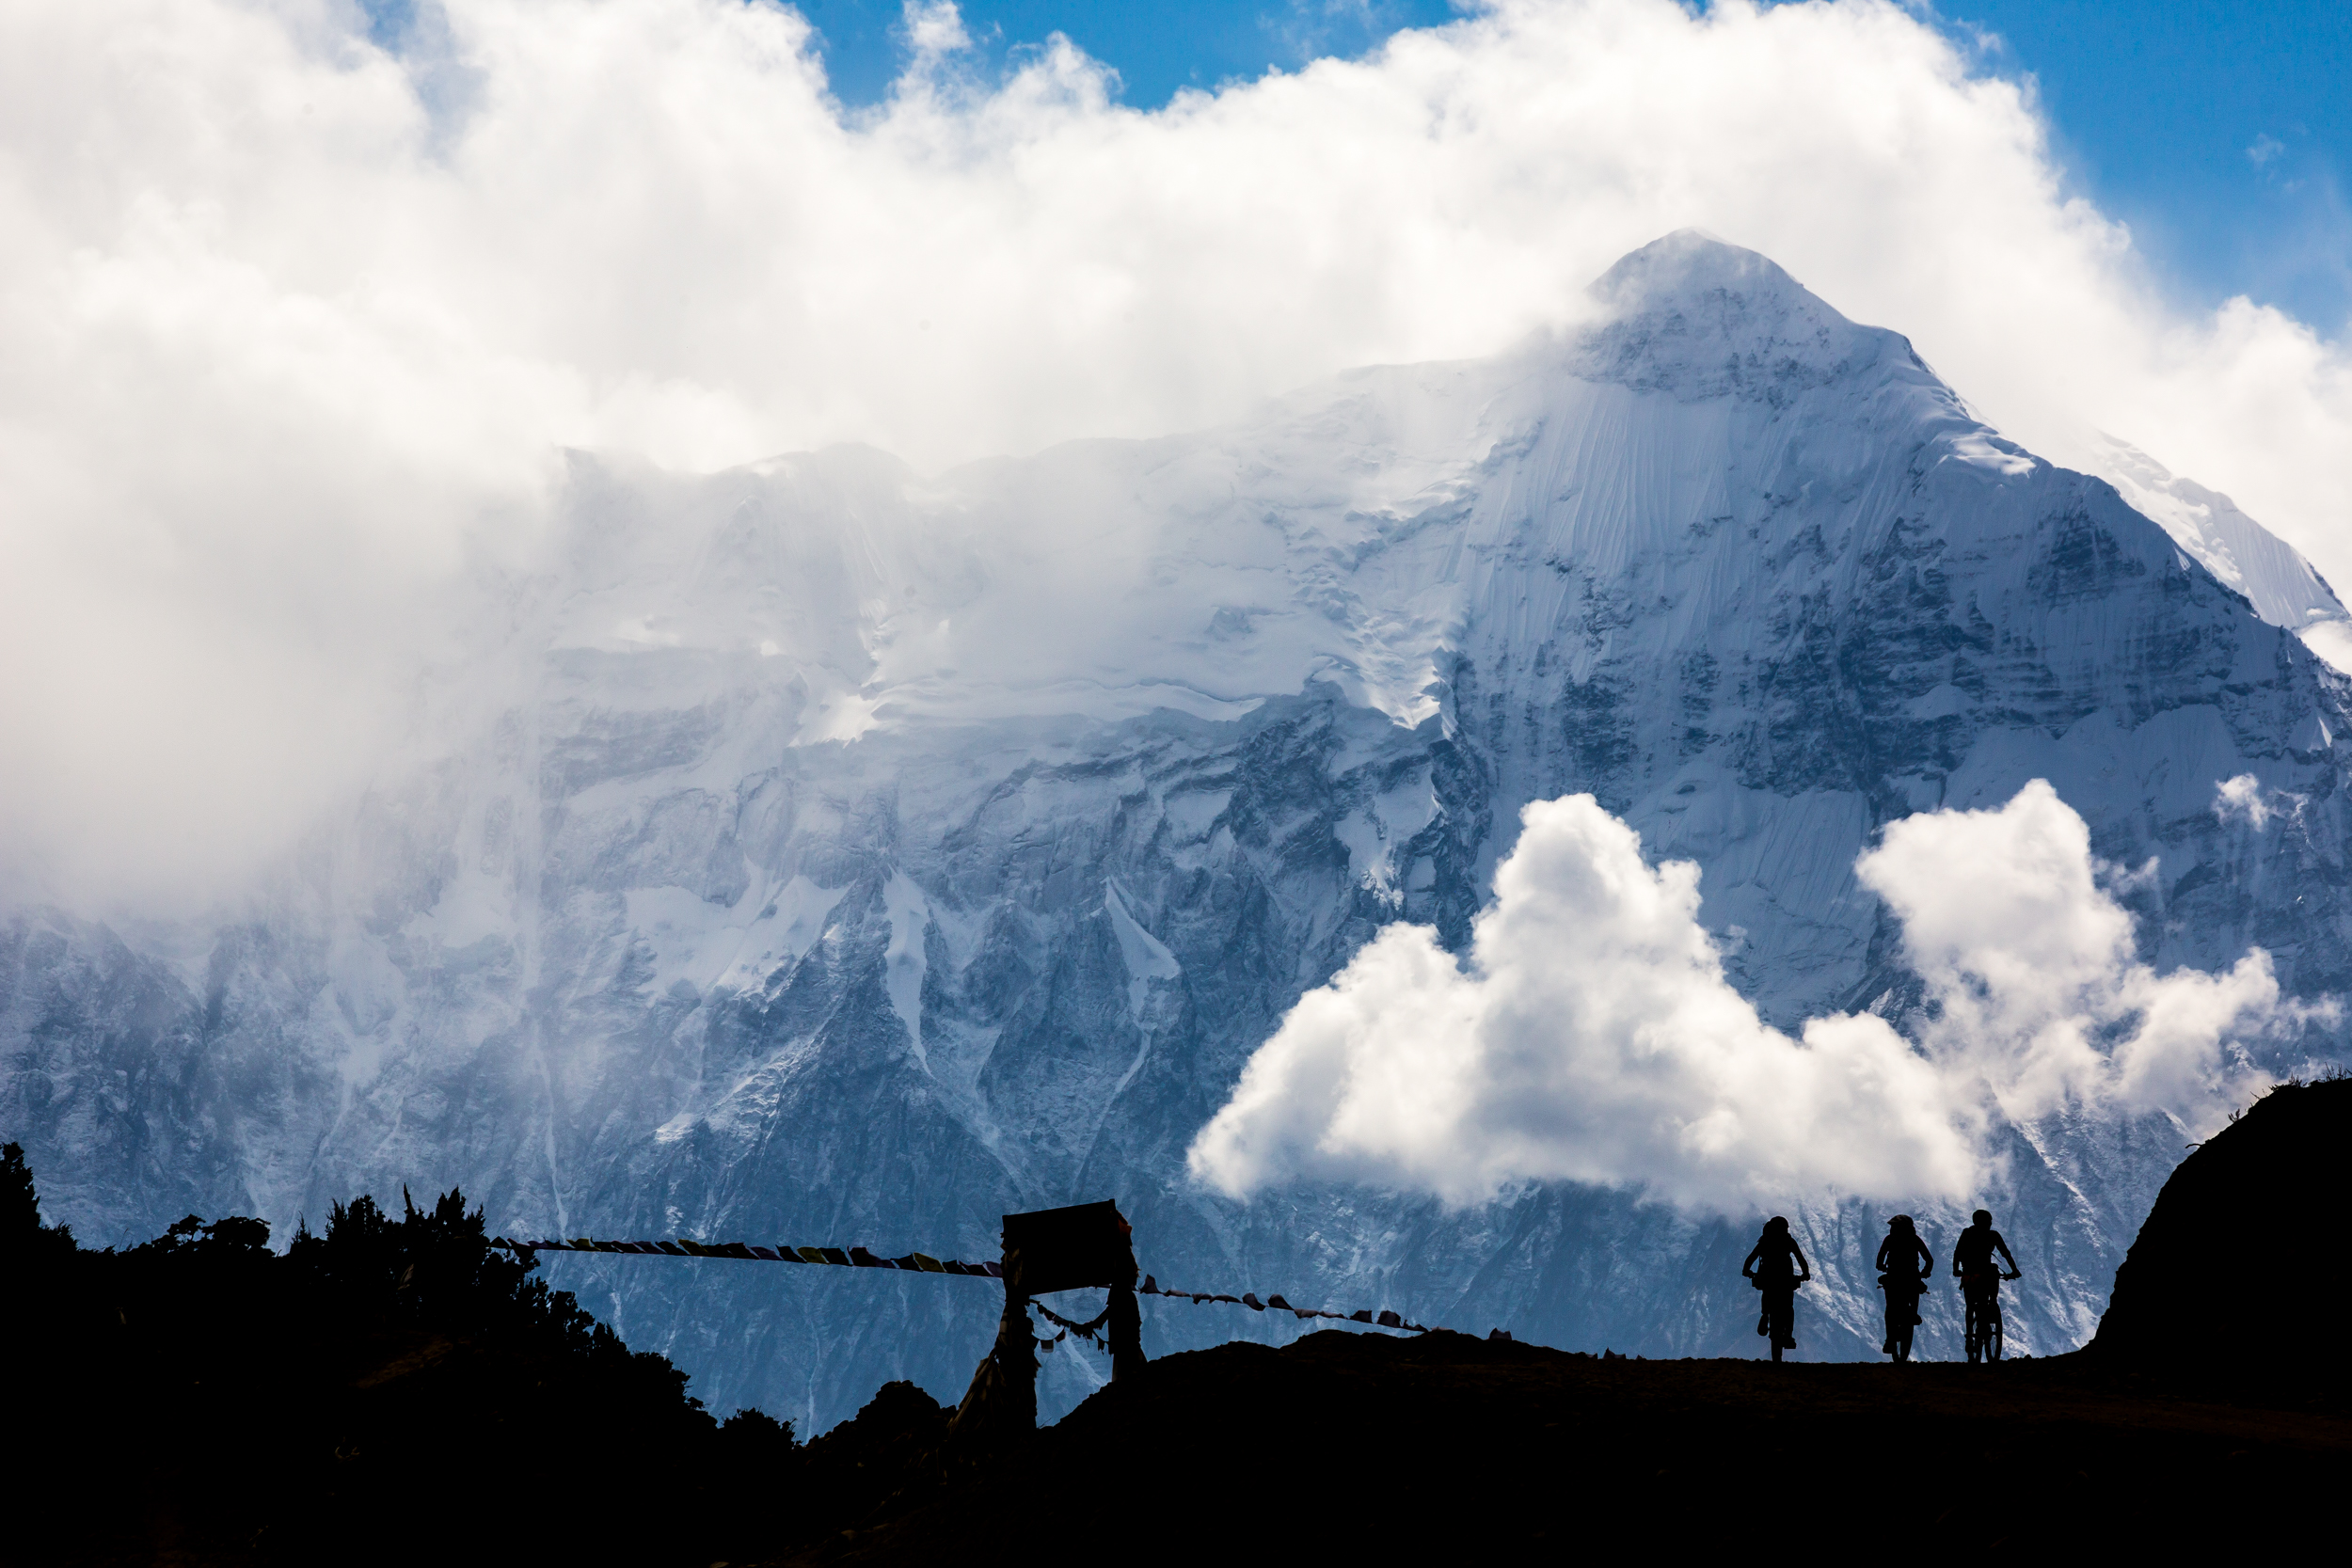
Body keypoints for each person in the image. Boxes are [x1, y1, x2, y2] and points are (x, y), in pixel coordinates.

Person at [1951, 1209, 2020, 1364]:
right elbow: (2005, 1253)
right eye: (1988, 1221)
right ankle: (1992, 1304)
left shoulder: (1967, 1233)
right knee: (1992, 1280)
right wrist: (2014, 1270)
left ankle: (1970, 1338)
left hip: (1970, 1274)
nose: (1989, 1224)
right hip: (1987, 1274)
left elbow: (1958, 1252)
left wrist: (1956, 1269)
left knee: (1970, 1305)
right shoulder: (1993, 1235)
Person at [1741, 1216, 1811, 1362]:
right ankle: (1787, 1335)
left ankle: (1765, 1315)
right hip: (1786, 1281)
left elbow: (1751, 1258)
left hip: (1768, 1280)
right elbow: (1800, 1259)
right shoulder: (1788, 1241)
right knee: (1788, 1307)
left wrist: (1747, 1270)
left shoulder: (1765, 1241)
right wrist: (1805, 1274)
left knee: (1767, 1297)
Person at [1875, 1215, 1932, 1363]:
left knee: (1890, 1308)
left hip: (1893, 1278)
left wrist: (1882, 1266)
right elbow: (1929, 1259)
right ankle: (1912, 1314)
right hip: (1913, 1278)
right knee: (1913, 1299)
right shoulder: (1915, 1240)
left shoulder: (1889, 1239)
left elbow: (1879, 1260)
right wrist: (1925, 1272)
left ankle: (1890, 1340)